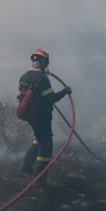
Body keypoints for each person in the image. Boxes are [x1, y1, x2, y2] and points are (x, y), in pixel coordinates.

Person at [18, 48, 72, 186]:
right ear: (43, 63)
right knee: (46, 144)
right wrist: (65, 91)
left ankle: (26, 166)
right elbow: (51, 98)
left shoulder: (24, 77)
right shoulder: (43, 79)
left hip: (29, 115)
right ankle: (40, 178)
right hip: (41, 116)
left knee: (39, 138)